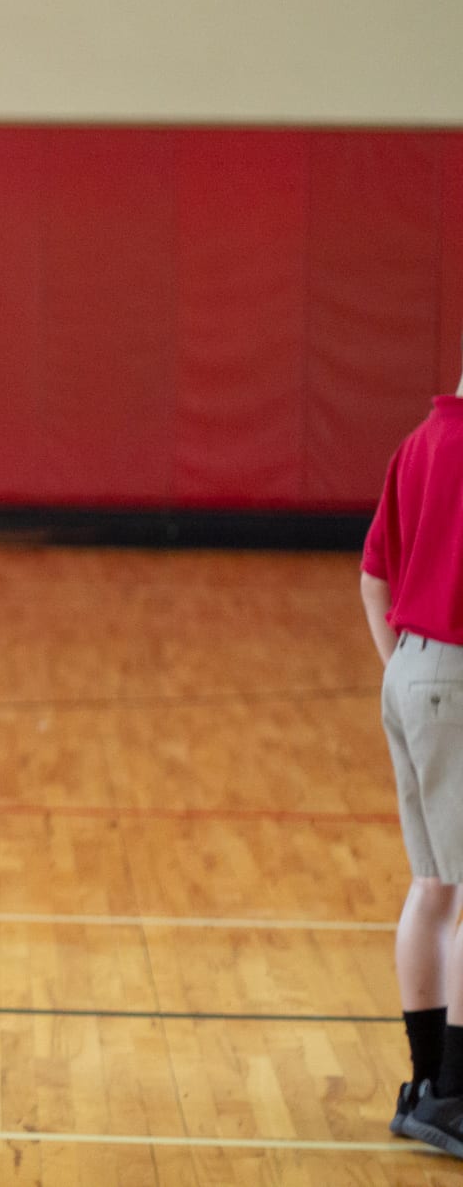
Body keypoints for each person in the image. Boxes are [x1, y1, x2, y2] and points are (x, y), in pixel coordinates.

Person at [364, 380, 463, 1158]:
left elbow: (373, 576)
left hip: (409, 671)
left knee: (434, 885)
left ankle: (425, 1084)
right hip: (456, 677)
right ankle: (457, 1093)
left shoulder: (416, 444)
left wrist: (405, 672)